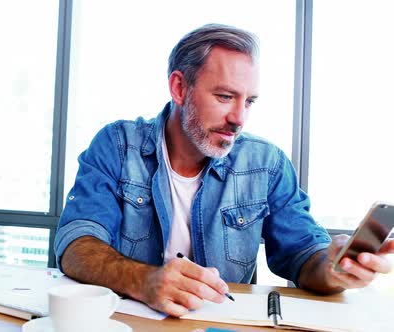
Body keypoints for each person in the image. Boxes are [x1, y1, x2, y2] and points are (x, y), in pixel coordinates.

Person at [54, 23, 394, 317]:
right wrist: (142, 280)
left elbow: (304, 255)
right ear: (179, 88)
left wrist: (336, 270)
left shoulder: (267, 164)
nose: (239, 119)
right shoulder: (116, 146)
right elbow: (77, 245)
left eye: (248, 101)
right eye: (224, 96)